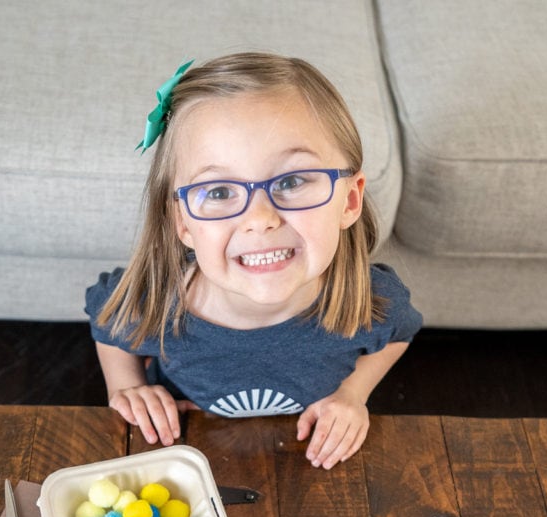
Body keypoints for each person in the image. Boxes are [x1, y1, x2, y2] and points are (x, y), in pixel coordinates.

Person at [86, 53, 422, 470]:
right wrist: (126, 385)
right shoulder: (154, 302)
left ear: (349, 200)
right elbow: (105, 318)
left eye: (292, 181)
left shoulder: (372, 300)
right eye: (219, 192)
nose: (261, 219)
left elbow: (399, 335)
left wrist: (352, 394)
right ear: (183, 223)